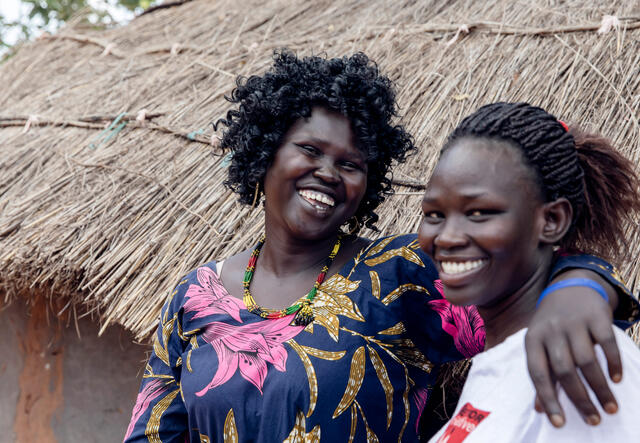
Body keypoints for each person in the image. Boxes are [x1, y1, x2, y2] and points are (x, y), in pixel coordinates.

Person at [124, 53, 638, 442]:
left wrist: (582, 284)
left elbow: (519, 297)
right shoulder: (195, 296)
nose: (327, 172)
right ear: (264, 154)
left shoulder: (396, 272)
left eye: (351, 164)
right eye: (309, 150)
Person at [420, 102, 640, 442]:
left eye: (479, 212)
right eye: (434, 214)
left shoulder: (577, 360)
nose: (446, 237)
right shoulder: (501, 365)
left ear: (551, 221)